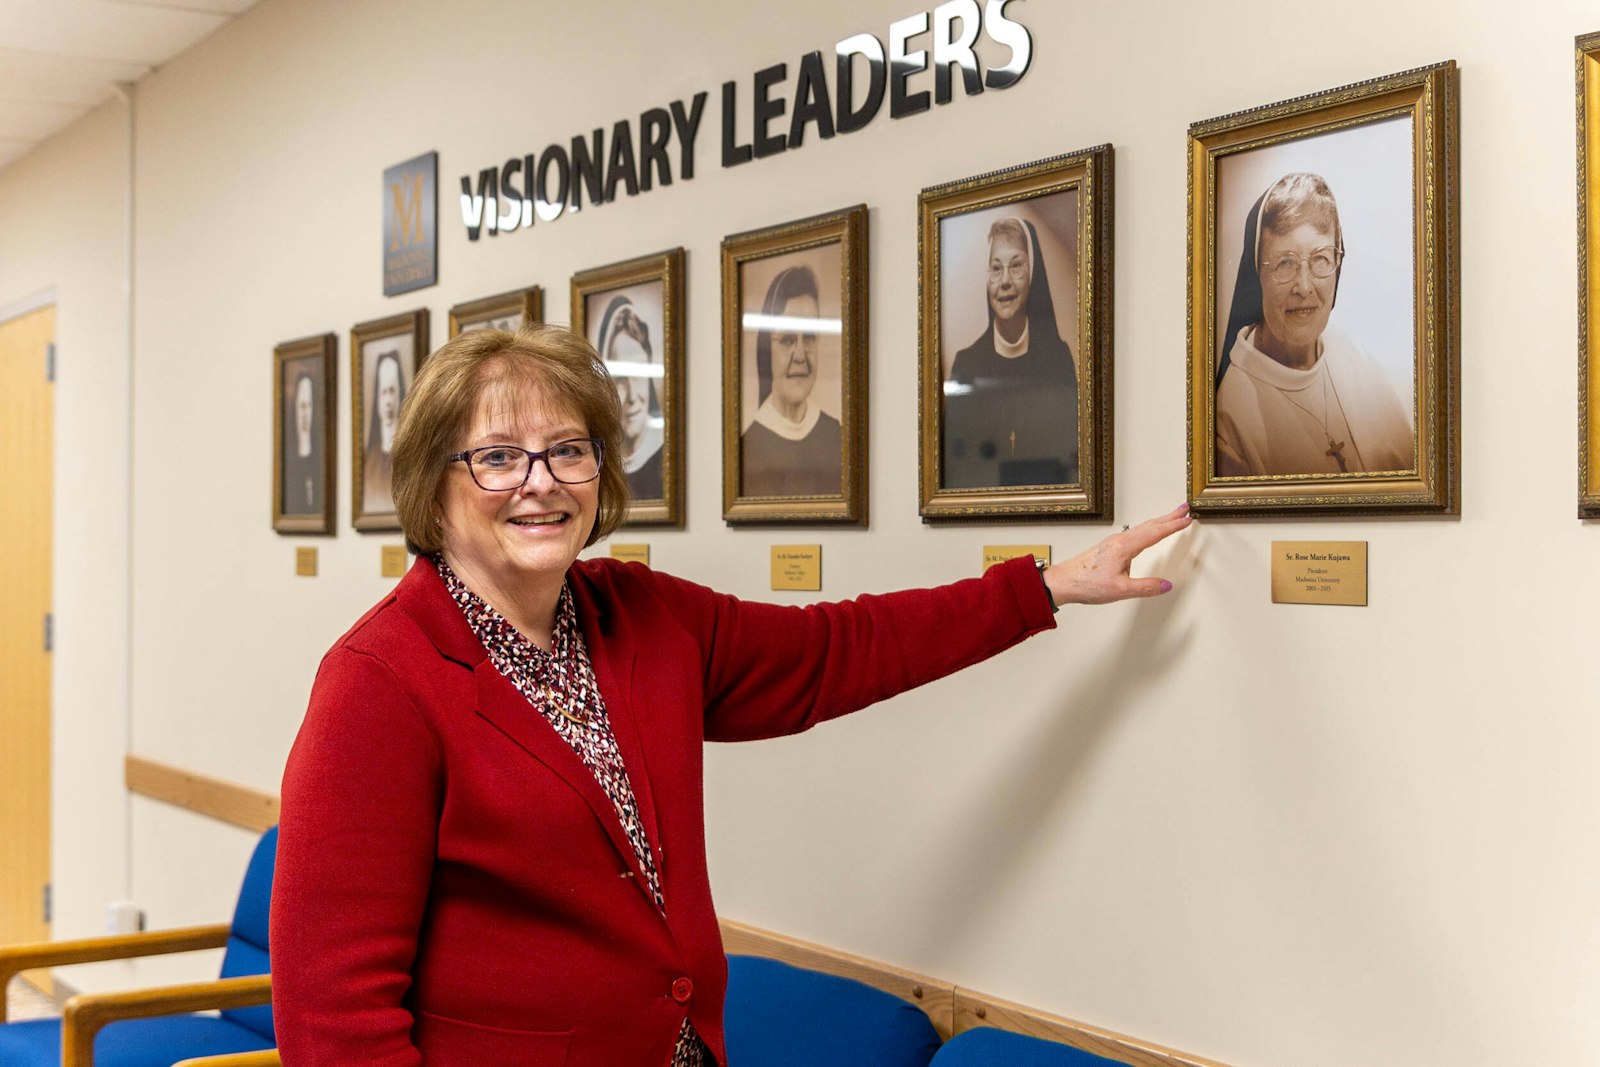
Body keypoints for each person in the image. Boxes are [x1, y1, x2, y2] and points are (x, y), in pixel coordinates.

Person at [271, 324, 1193, 1066]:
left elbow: (839, 649)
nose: (541, 483)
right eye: (500, 458)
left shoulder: (641, 616)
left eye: (568, 451)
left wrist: (1042, 587)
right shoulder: (380, 682)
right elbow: (332, 1020)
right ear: (436, 486)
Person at [1215, 172, 1414, 477]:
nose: (1304, 287)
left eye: (1321, 259)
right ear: (1257, 276)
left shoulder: (1349, 351)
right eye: (1285, 262)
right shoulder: (1231, 414)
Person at [944, 215, 1079, 489]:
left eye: (1016, 266)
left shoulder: (1059, 359)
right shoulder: (966, 364)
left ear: (1033, 273)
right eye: (996, 269)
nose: (1005, 281)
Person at [739, 265, 842, 497]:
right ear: (767, 350)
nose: (800, 355)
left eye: (809, 338)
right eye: (787, 340)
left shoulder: (837, 435)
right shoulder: (747, 449)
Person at [596, 293, 664, 500]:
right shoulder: (588, 469)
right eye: (621, 380)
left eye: (639, 376)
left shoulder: (663, 459)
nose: (633, 396)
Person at [363, 349, 405, 510]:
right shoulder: (370, 459)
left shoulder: (411, 460)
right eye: (384, 393)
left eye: (392, 391)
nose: (388, 401)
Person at [281, 370, 320, 514]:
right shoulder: (288, 459)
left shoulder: (319, 458)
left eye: (310, 406)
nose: (306, 413)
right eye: (302, 406)